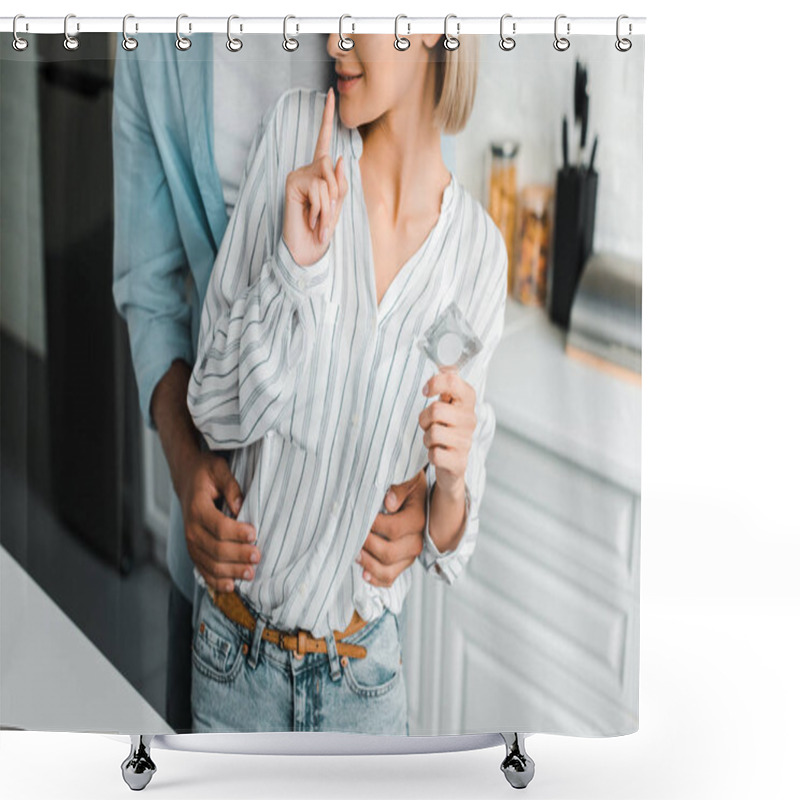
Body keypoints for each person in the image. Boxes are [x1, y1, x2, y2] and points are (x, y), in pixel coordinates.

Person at [186, 32, 507, 734]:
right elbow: (211, 408)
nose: (334, 39)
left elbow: (451, 544)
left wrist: (447, 484)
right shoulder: (301, 134)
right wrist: (294, 273)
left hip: (364, 686)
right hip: (235, 664)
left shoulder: (479, 254)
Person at [111, 32, 429, 735]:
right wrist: (185, 457)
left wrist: (428, 493)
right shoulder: (150, 46)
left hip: (353, 604)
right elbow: (149, 291)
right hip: (217, 585)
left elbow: (427, 259)